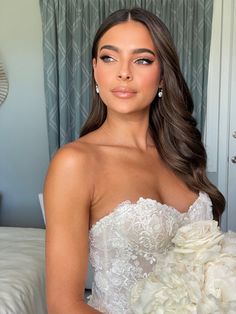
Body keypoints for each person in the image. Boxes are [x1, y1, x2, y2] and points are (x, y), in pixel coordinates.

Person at [44, 7, 225, 314]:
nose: (123, 72)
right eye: (109, 57)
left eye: (142, 59)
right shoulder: (75, 163)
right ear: (95, 70)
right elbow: (64, 305)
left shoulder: (182, 152)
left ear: (163, 74)